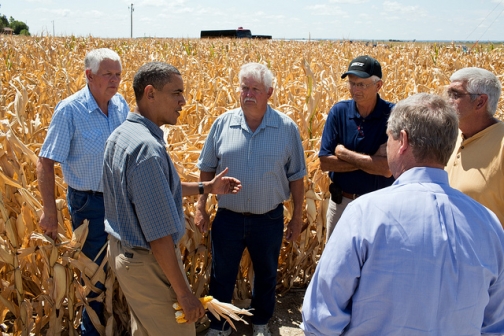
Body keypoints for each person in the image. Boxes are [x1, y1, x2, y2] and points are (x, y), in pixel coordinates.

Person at [301, 93, 504, 335]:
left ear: (403, 141)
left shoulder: (365, 214)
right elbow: (495, 324)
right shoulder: (488, 224)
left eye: (389, 139)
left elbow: (321, 317)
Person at [102, 61, 241, 336]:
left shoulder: (122, 135)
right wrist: (185, 294)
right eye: (176, 93)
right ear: (150, 93)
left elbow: (157, 192)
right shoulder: (147, 151)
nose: (184, 100)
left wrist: (207, 187)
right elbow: (158, 236)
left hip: (125, 255)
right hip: (148, 263)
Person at [195, 62, 306, 336]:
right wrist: (201, 206)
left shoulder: (286, 128)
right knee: (222, 275)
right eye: (244, 87)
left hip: (268, 218)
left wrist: (298, 217)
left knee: (266, 275)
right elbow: (207, 166)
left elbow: (297, 177)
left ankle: (260, 324)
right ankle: (219, 325)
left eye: (255, 88)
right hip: (228, 218)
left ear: (269, 92)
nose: (248, 93)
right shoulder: (223, 123)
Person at [37, 48, 128, 335]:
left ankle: (119, 324)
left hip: (122, 201)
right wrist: (49, 212)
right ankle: (91, 330)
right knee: (94, 274)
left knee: (125, 268)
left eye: (118, 75)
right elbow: (46, 160)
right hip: (89, 203)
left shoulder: (121, 105)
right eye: (107, 75)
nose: (114, 81)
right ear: (89, 76)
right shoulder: (70, 110)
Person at [319, 55, 394, 242]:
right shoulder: (339, 112)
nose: (355, 89)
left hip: (380, 206)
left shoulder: (393, 115)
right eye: (352, 83)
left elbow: (386, 169)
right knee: (335, 265)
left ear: (379, 86)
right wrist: (371, 161)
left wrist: (343, 153)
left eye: (362, 84)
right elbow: (325, 163)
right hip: (341, 204)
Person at [445, 67, 504, 226]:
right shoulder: (451, 136)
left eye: (455, 95)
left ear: (480, 102)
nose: (447, 101)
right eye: (448, 94)